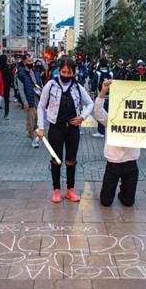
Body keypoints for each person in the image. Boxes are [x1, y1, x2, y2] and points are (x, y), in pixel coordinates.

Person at [95, 79, 146, 206]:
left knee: (128, 202)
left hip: (131, 163)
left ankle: (124, 191)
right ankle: (114, 191)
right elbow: (98, 112)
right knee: (105, 202)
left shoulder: (138, 118)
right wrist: (103, 92)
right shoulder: (111, 119)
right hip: (113, 163)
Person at [37, 58, 93, 203]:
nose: (66, 75)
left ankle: (70, 190)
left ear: (74, 73)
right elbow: (41, 106)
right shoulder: (51, 85)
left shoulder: (77, 87)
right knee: (56, 160)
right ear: (59, 71)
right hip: (55, 128)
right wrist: (41, 127)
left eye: (69, 72)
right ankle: (56, 190)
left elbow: (90, 104)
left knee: (71, 161)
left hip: (73, 129)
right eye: (64, 72)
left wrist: (82, 117)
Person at [17, 54, 43, 148]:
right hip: (29, 101)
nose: (30, 63)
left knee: (38, 122)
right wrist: (25, 102)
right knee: (30, 122)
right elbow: (21, 89)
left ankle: (31, 134)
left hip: (38, 100)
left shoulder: (36, 71)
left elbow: (40, 84)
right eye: (28, 61)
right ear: (24, 62)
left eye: (31, 61)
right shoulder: (21, 74)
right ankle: (33, 140)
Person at [91, 58, 113, 138]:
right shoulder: (111, 73)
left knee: (100, 113)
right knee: (108, 113)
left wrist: (92, 93)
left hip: (101, 96)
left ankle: (101, 132)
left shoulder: (97, 73)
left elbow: (94, 85)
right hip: (110, 96)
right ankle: (108, 130)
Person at [0, 54, 13, 120]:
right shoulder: (7, 67)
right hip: (6, 86)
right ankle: (6, 114)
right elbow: (10, 76)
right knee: (6, 101)